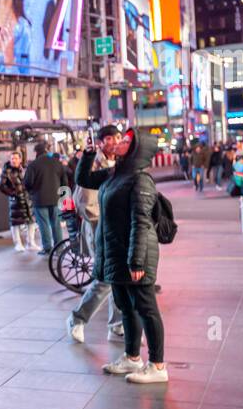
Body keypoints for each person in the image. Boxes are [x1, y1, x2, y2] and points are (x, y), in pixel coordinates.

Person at [76, 129, 168, 382]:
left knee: (146, 309)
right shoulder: (115, 174)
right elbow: (83, 178)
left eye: (125, 141)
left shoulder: (140, 180)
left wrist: (136, 261)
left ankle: (158, 366)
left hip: (134, 256)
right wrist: (87, 154)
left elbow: (141, 223)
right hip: (115, 254)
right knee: (126, 307)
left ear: (137, 149)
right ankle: (132, 357)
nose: (118, 143)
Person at [67, 126, 125, 343]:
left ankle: (117, 324)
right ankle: (77, 319)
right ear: (101, 142)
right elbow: (84, 202)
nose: (115, 142)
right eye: (110, 138)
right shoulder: (93, 163)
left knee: (119, 276)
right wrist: (105, 224)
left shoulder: (121, 163)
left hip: (120, 229)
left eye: (118, 137)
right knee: (106, 277)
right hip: (100, 228)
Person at [23, 140, 66, 255]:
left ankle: (47, 248)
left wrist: (32, 192)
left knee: (44, 224)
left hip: (39, 199)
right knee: (56, 223)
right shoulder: (57, 163)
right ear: (46, 150)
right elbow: (64, 181)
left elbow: (27, 183)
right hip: (56, 199)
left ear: (36, 152)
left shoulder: (33, 165)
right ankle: (60, 247)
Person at [0, 150, 39, 251]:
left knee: (31, 221)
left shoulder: (24, 169)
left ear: (20, 160)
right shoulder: (6, 171)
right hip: (15, 201)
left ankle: (31, 243)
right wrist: (12, 193)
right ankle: (18, 244)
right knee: (15, 223)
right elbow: (1, 185)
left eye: (16, 158)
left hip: (27, 199)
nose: (14, 160)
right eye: (12, 158)